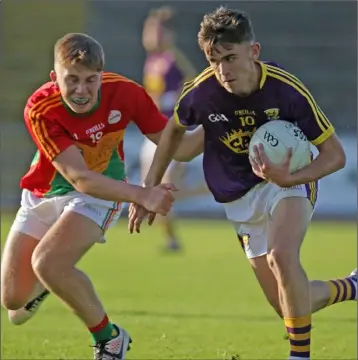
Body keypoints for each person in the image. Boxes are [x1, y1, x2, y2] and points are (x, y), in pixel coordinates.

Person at [129, 7, 357, 360]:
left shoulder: (287, 91)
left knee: (283, 256)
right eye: (214, 59)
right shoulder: (203, 90)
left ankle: (300, 357)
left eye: (231, 57)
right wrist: (148, 187)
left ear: (254, 51)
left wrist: (290, 177)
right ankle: (352, 286)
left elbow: (335, 155)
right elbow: (175, 129)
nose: (223, 69)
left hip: (288, 184)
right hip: (239, 198)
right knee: (288, 306)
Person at [1, 33, 203, 360]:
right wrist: (142, 194)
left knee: (48, 262)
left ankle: (110, 340)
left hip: (103, 189)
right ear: (55, 78)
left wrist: (220, 120)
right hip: (48, 191)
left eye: (91, 80)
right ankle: (51, 282)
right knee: (13, 302)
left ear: (102, 75)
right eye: (73, 80)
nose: (82, 90)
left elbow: (178, 147)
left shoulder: (125, 93)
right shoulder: (40, 107)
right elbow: (79, 177)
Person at [140, 6, 208, 251]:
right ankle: (171, 240)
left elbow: (196, 86)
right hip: (154, 132)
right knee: (151, 190)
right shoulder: (152, 62)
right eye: (148, 30)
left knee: (163, 187)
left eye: (155, 31)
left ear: (168, 35)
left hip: (174, 132)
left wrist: (181, 103)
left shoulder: (174, 60)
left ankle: (209, 188)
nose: (149, 36)